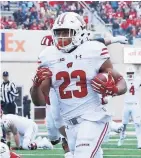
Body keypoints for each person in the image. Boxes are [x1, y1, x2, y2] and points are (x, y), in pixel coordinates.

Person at [31, 12, 127, 157]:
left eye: (66, 32)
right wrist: (36, 85)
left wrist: (114, 89)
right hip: (70, 124)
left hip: (93, 118)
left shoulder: (93, 50)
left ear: (80, 32)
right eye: (58, 32)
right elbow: (39, 101)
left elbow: (121, 81)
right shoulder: (48, 56)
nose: (62, 37)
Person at [118, 65, 141, 149]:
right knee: (124, 124)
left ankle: (140, 142)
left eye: (131, 73)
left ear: (134, 73)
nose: (130, 75)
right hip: (126, 104)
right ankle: (121, 138)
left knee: (138, 124)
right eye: (129, 73)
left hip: (135, 104)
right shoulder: (123, 79)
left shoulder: (138, 79)